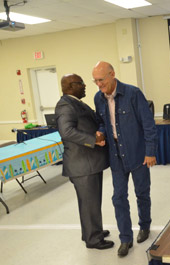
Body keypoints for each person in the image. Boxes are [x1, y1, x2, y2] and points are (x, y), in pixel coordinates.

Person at [93, 61, 158, 257]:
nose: (99, 85)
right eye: (95, 81)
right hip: (115, 156)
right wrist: (100, 132)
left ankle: (145, 226)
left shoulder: (133, 93)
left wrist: (150, 151)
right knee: (118, 197)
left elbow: (148, 124)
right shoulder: (98, 98)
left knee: (142, 193)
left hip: (137, 153)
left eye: (101, 80)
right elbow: (101, 122)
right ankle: (125, 238)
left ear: (112, 74)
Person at [55, 74, 113, 250]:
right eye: (81, 83)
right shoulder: (65, 105)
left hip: (89, 162)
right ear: (70, 86)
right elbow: (67, 132)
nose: (85, 85)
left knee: (92, 201)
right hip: (82, 164)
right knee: (89, 203)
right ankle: (93, 239)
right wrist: (93, 139)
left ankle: (92, 231)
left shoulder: (76, 102)